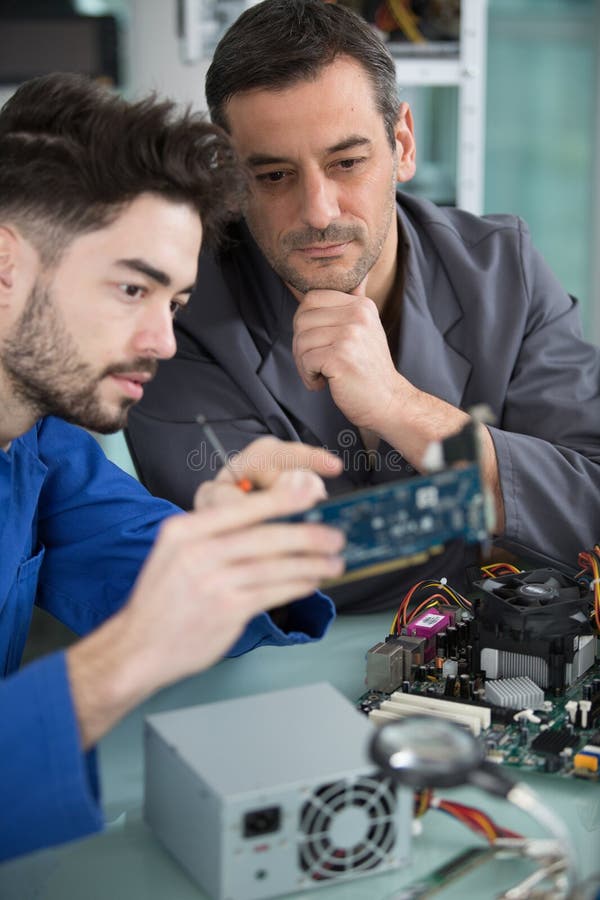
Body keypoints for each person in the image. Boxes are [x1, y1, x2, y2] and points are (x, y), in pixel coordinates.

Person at [126, 0, 600, 613]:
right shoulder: (177, 316)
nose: (318, 211)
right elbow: (270, 570)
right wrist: (495, 505)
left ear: (402, 144)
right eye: (273, 176)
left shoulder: (503, 268)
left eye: (347, 162)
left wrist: (401, 407)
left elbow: (590, 508)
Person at [0, 71, 348, 862]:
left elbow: (142, 557)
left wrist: (230, 548)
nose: (162, 342)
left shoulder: (43, 443)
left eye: (177, 304)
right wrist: (127, 657)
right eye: (132, 288)